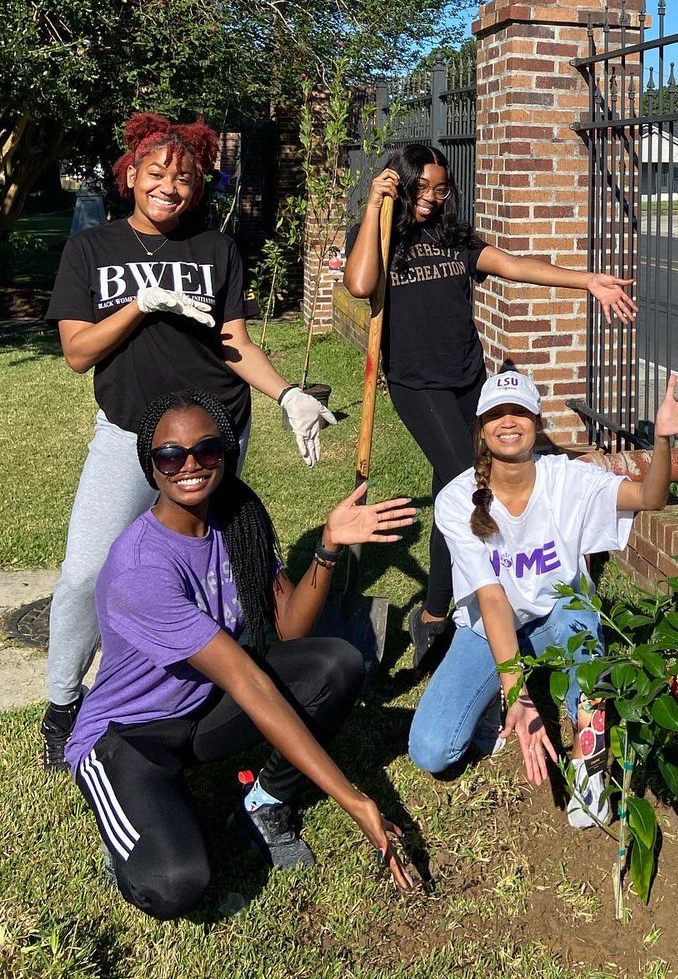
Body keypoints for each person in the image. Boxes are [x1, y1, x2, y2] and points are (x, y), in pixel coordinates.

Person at [41, 113, 336, 771]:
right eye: (157, 173)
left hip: (214, 435)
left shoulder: (215, 251)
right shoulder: (92, 249)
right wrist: (141, 303)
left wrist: (287, 394)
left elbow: (233, 344)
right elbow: (76, 353)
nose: (170, 186)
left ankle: (213, 691)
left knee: (215, 570)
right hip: (129, 437)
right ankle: (64, 704)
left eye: (184, 178)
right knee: (87, 571)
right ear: (130, 176)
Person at [67, 389, 419, 919]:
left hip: (203, 710)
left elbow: (290, 630)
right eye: (170, 455)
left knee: (336, 665)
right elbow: (248, 682)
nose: (189, 465)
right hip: (130, 735)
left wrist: (327, 545)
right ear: (150, 467)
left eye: (206, 450)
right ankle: (130, 829)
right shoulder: (141, 568)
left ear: (226, 455)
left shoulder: (236, 520)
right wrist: (356, 800)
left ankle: (263, 803)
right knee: (176, 883)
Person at [342, 143, 638, 670]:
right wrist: (372, 206)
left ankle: (434, 612)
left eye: (440, 188)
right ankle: (488, 606)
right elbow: (361, 283)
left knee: (448, 487)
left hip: (468, 381)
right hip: (418, 385)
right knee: (470, 484)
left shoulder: (455, 240)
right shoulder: (385, 234)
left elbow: (514, 266)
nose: (431, 198)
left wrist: (586, 281)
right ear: (400, 183)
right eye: (421, 188)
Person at [407, 370, 678, 825]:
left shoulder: (568, 479)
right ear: (480, 428)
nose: (508, 422)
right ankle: (489, 708)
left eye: (519, 412)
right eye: (497, 414)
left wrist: (663, 443)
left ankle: (587, 765)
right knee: (431, 749)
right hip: (489, 627)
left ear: (537, 421)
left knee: (578, 611)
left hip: (559, 613)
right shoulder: (457, 500)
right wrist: (517, 692)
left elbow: (649, 498)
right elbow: (493, 600)